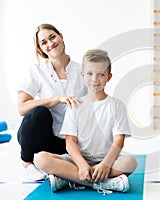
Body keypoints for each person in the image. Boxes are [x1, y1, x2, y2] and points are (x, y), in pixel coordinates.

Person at [34, 49, 137, 194]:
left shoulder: (116, 105)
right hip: (76, 161)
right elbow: (70, 142)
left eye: (101, 74)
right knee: (40, 159)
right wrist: (82, 165)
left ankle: (69, 179)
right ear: (82, 75)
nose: (95, 79)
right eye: (89, 74)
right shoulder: (75, 105)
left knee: (130, 162)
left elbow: (119, 141)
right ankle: (103, 183)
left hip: (106, 160)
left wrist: (105, 165)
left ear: (109, 77)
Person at [17, 24, 86, 181]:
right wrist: (56, 100)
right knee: (39, 112)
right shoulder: (36, 71)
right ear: (41, 49)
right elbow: (22, 108)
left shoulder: (81, 71)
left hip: (69, 141)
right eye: (44, 42)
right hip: (41, 137)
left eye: (52, 37)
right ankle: (27, 163)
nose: (50, 43)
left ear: (61, 36)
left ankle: (59, 172)